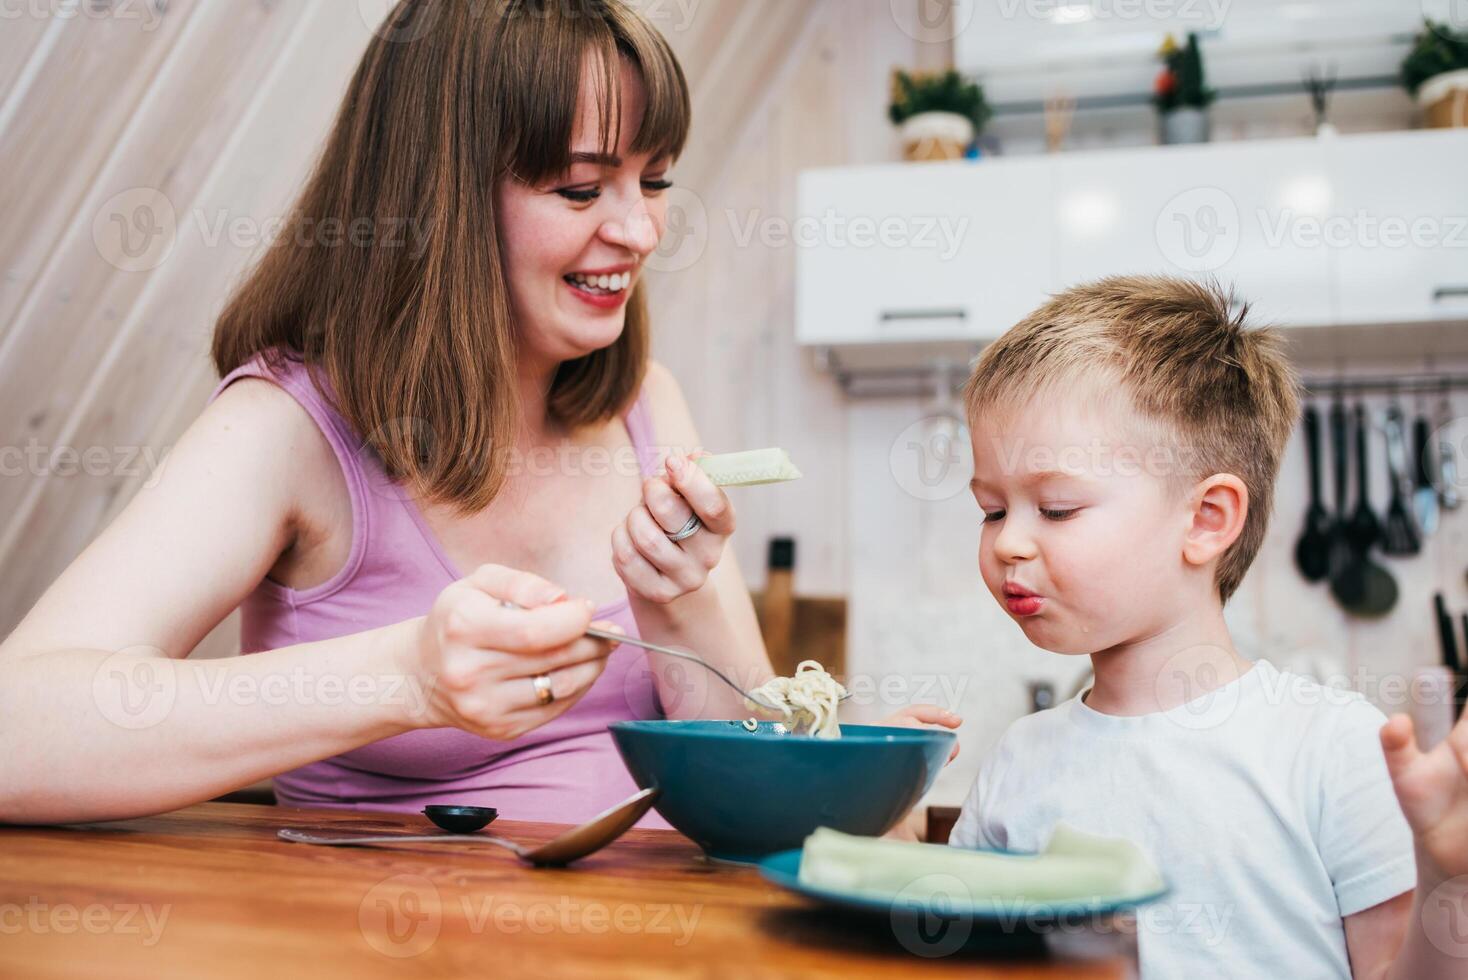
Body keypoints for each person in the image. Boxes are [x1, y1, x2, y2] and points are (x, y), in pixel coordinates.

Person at [0, 0, 956, 828]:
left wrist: (698, 612)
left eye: (653, 178)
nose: (640, 229)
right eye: (582, 187)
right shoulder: (287, 428)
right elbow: (18, 732)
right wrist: (405, 675)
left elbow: (745, 782)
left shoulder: (646, 405)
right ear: (442, 199)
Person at [950, 275, 1467, 978]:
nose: (1008, 542)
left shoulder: (1331, 747)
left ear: (1206, 519)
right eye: (992, 510)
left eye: (1058, 507)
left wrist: (1445, 878)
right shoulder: (1018, 758)